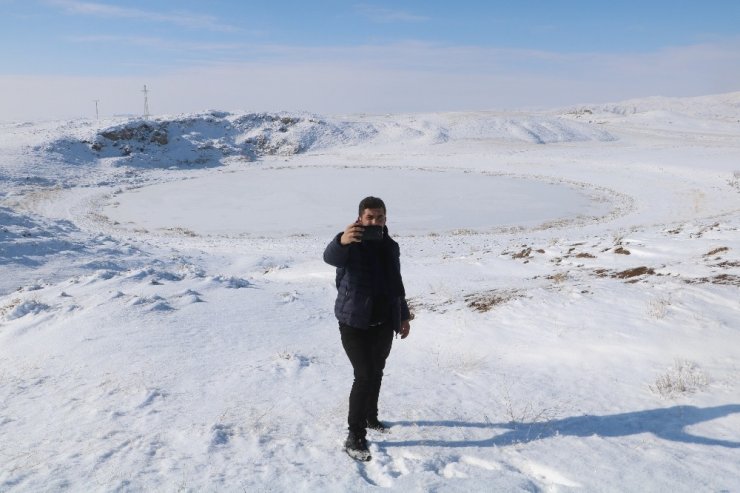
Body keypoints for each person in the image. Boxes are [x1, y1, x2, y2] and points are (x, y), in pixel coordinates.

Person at [323, 196, 411, 461]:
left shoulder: (390, 246)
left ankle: (371, 416)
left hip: (383, 321)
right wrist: (341, 240)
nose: (375, 221)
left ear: (386, 219)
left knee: (377, 370)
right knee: (364, 374)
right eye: (370, 217)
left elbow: (396, 283)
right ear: (360, 218)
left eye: (380, 217)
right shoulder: (349, 243)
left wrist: (403, 316)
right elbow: (330, 257)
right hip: (353, 322)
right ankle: (355, 434)